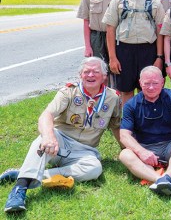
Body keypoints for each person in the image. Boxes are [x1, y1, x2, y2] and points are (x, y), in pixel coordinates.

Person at [1, 57, 121, 214]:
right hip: (59, 143)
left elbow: (117, 127)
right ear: (80, 75)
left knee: (95, 169)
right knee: (41, 142)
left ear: (104, 76)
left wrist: (126, 150)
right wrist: (49, 137)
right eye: (86, 71)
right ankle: (19, 189)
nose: (90, 75)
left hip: (85, 151)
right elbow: (46, 116)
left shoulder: (113, 98)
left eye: (95, 71)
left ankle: (30, 173)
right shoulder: (69, 92)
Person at [118, 66, 171, 196]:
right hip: (145, 148)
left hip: (170, 145)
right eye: (146, 83)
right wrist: (141, 152)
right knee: (124, 154)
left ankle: (168, 176)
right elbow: (124, 135)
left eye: (155, 83)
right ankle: (161, 180)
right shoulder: (131, 104)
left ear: (163, 82)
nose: (151, 87)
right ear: (140, 83)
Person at [103, 0, 166, 105]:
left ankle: (145, 123)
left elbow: (160, 30)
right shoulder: (118, 0)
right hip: (124, 50)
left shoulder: (155, 1)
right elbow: (110, 28)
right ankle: (128, 123)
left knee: (147, 89)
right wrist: (113, 57)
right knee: (126, 89)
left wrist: (159, 57)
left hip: (148, 50)